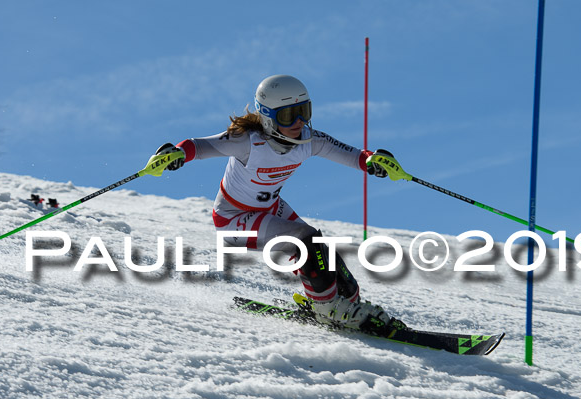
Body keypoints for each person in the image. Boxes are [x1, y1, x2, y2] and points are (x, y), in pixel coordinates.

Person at [155, 74, 403, 333]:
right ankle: (326, 306)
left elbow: (352, 156)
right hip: (233, 218)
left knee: (321, 249)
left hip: (269, 208)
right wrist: (177, 153)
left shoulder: (309, 140)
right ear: (267, 116)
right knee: (304, 239)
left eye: (303, 112)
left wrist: (372, 161)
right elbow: (199, 146)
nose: (298, 123)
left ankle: (348, 303)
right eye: (287, 116)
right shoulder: (247, 141)